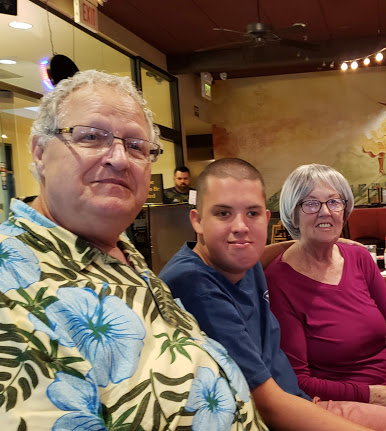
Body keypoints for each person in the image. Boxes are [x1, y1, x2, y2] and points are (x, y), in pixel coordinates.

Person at [0, 71, 266, 431]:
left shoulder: (117, 248)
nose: (120, 159)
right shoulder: (11, 284)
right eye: (91, 137)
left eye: (137, 146)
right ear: (40, 152)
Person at [160, 157, 386, 431]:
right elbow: (268, 406)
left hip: (298, 399)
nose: (240, 227)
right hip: (276, 414)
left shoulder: (242, 258)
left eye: (252, 213)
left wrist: (321, 241)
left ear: (266, 217)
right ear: (198, 220)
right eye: (223, 213)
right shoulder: (196, 285)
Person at [264, 165, 386, 416]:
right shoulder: (278, 281)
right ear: (292, 215)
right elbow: (298, 380)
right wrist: (374, 395)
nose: (325, 212)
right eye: (311, 204)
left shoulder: (360, 257)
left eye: (334, 201)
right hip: (338, 405)